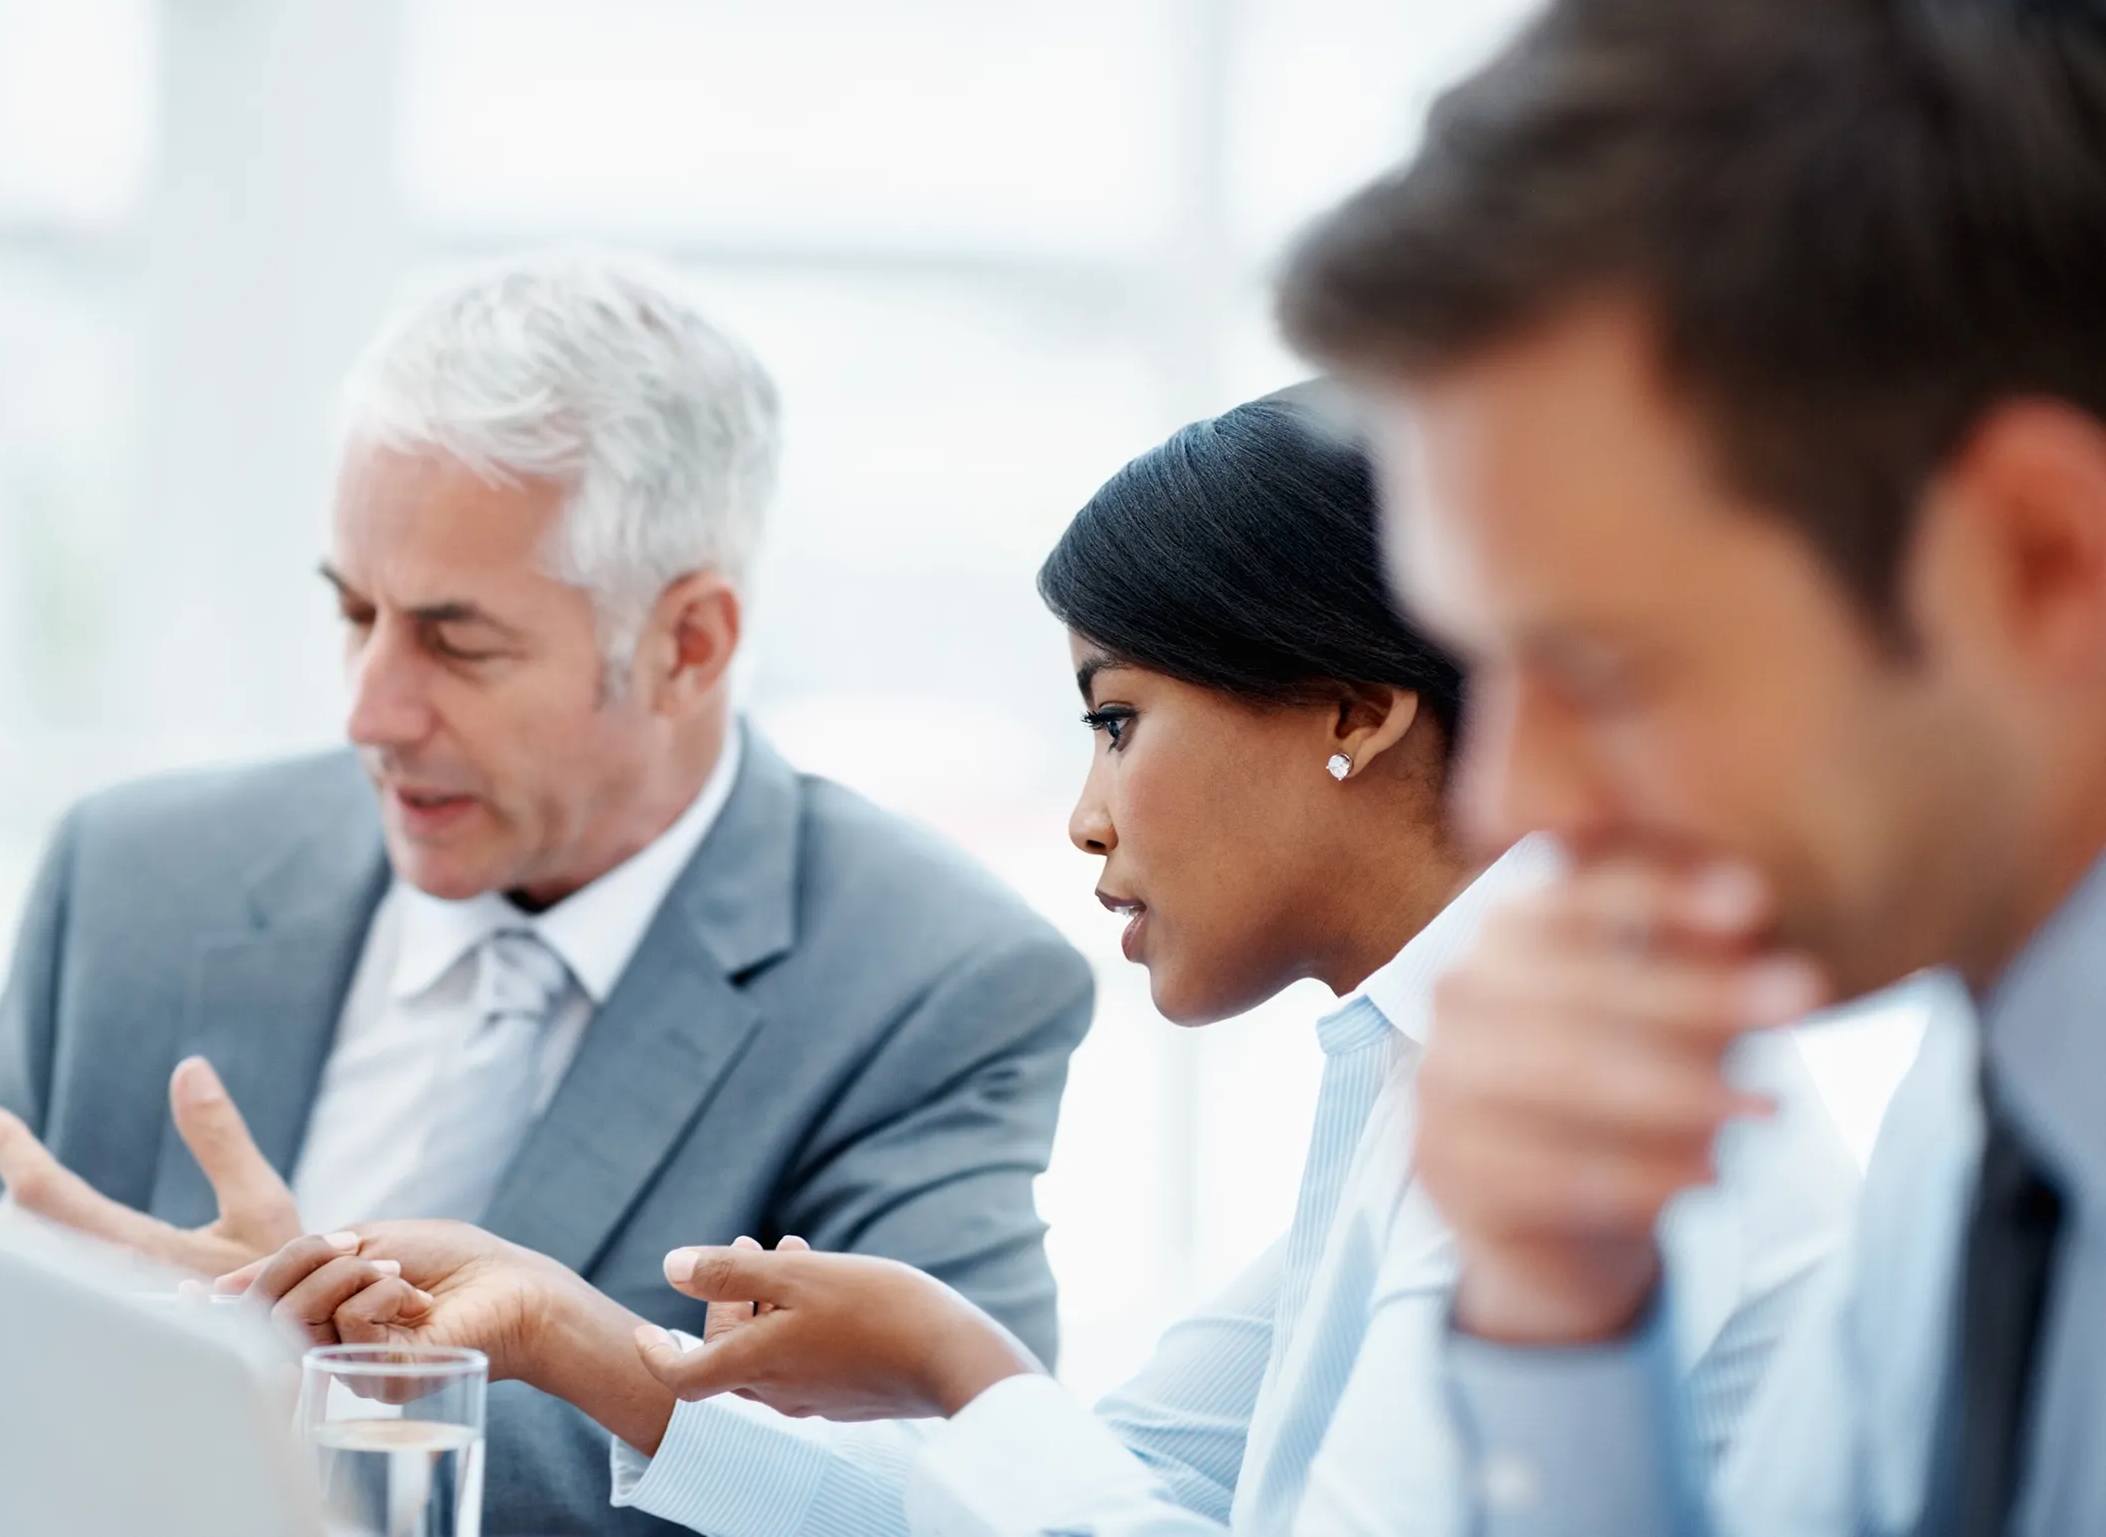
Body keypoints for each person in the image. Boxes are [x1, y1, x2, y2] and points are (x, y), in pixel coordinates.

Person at [230, 387, 1854, 1537]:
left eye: (1119, 719)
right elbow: (1090, 1487)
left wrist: (956, 1359)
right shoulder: (1431, 1069)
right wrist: (574, 1341)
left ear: (1358, 708)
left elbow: (1052, 1481)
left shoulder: (1593, 1100)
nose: (1087, 816)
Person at [0, 251, 1096, 1537]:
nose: (370, 709)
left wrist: (288, 1388)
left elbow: (951, 1492)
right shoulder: (137, 875)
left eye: (456, 641)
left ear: (688, 643)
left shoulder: (932, 986)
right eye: (354, 612)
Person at [1271, 0, 2106, 1534]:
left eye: (1606, 667)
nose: (1509, 796)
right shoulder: (1984, 1107)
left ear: (2040, 555)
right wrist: (1559, 1322)